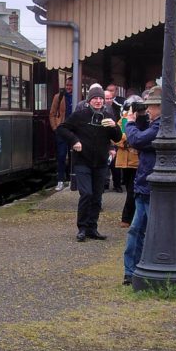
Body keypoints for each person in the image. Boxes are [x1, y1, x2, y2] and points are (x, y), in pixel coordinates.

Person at [121, 86, 176, 284]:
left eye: (151, 107)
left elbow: (137, 140)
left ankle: (135, 271)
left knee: (141, 231)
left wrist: (129, 123)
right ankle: (134, 271)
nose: (147, 110)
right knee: (140, 230)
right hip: (150, 183)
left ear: (161, 107)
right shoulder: (164, 123)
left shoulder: (162, 126)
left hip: (152, 184)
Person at [56, 84, 122, 242]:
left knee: (97, 197)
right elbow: (62, 129)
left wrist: (114, 127)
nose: (98, 101)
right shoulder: (80, 115)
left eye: (101, 98)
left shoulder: (108, 116)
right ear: (90, 100)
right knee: (86, 193)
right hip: (82, 161)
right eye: (95, 99)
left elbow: (117, 138)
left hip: (100, 163)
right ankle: (82, 228)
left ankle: (93, 228)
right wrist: (74, 141)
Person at [115, 95, 143, 227]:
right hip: (125, 162)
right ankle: (130, 218)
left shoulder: (142, 120)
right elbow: (116, 136)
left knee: (133, 190)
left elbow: (140, 137)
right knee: (129, 189)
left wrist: (129, 138)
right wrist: (127, 141)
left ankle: (127, 218)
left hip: (137, 161)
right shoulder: (124, 120)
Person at [49, 75, 74, 191]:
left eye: (71, 85)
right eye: (67, 85)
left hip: (73, 130)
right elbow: (52, 113)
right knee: (61, 155)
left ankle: (71, 179)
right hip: (62, 129)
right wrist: (55, 127)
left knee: (73, 155)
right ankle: (60, 180)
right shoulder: (58, 97)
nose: (69, 87)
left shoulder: (79, 96)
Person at [106, 84, 125, 192]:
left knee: (115, 163)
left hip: (116, 135)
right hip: (104, 138)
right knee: (105, 162)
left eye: (110, 97)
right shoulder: (100, 107)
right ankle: (105, 183)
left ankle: (117, 184)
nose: (109, 100)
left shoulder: (119, 106)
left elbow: (124, 120)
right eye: (106, 98)